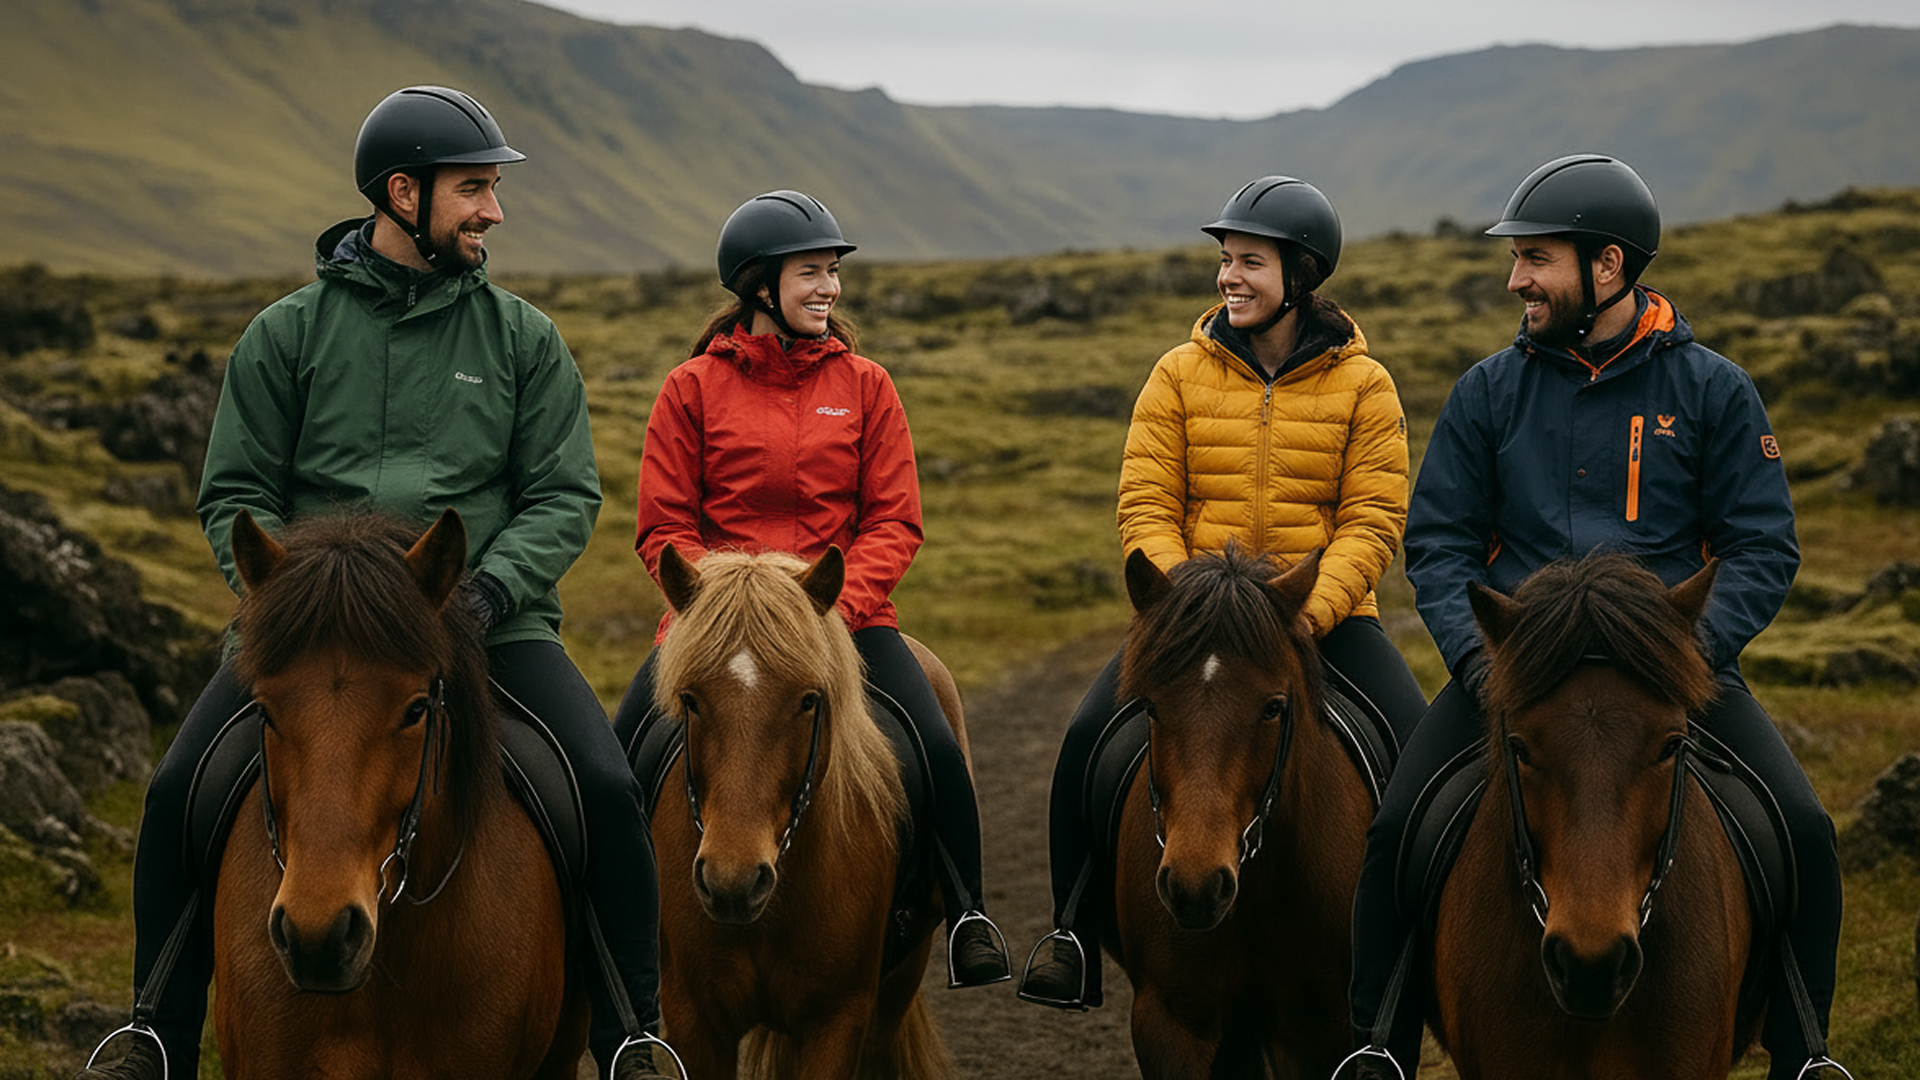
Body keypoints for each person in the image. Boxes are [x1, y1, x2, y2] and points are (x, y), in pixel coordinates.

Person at [78, 86, 679, 1080]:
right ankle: (154, 1031)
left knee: (606, 788)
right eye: (474, 189)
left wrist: (481, 596)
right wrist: (282, 607)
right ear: (403, 194)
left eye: (492, 189)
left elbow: (565, 495)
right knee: (180, 786)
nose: (494, 211)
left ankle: (632, 1034)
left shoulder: (524, 341)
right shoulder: (285, 335)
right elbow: (236, 491)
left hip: (488, 626)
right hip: (307, 638)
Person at [1337, 154, 1845, 1080]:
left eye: (1536, 258)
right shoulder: (1488, 391)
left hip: (1674, 672)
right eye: (1518, 259)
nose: (1515, 279)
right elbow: (1440, 546)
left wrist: (1688, 655)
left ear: (1607, 267)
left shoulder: (1715, 390)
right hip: (1518, 678)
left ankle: (1807, 1052)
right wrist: (1486, 669)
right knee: (1397, 826)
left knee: (1804, 828)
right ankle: (1378, 1046)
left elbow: (1763, 545)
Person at [1016, 176, 1429, 1010]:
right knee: (1088, 740)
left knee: (1419, 756)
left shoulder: (1366, 386)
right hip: (1197, 619)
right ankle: (1069, 934)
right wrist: (1183, 604)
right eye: (1225, 260)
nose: (1229, 278)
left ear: (1300, 276)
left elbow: (1374, 519)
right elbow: (1145, 506)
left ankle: (1411, 968)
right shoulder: (1177, 374)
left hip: (1318, 619)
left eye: (1249, 262)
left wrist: (1300, 616)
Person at [610, 189, 1012, 988]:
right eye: (811, 273)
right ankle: (614, 937)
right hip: (715, 631)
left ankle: (965, 911)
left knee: (932, 749)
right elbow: (664, 529)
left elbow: (895, 522)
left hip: (844, 620)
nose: (829, 287)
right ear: (761, 284)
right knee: (619, 761)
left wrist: (828, 609)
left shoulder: (867, 386)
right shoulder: (690, 388)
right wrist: (721, 607)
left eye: (833, 273)